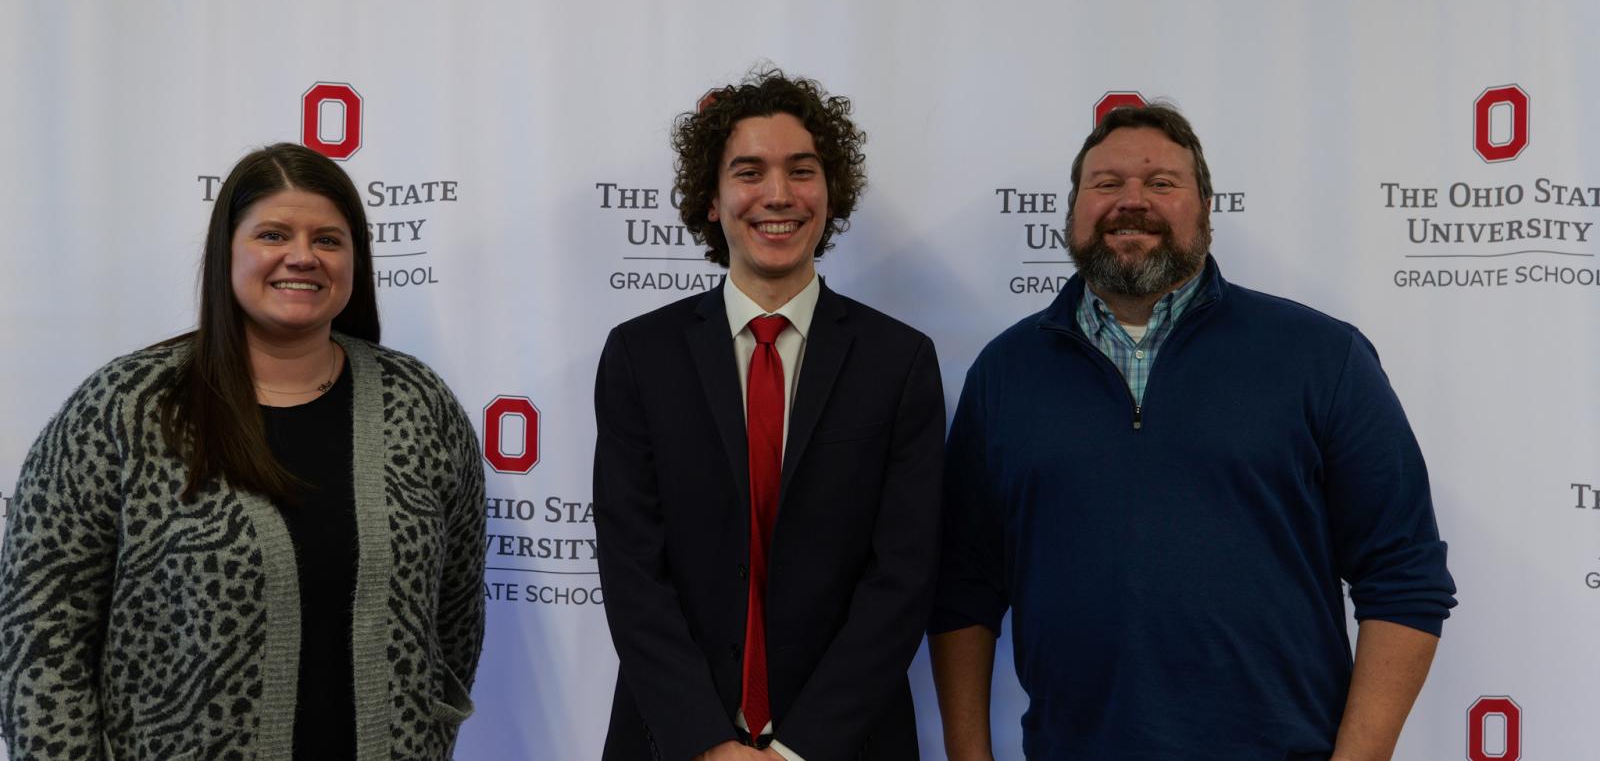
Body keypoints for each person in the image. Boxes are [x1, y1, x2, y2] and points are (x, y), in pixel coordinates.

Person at [929, 104, 1457, 761]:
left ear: (1205, 207)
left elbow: (1404, 574)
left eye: (1161, 183)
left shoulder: (1321, 358)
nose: (1132, 201)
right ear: (1071, 210)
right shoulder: (1005, 374)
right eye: (1106, 183)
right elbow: (963, 588)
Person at [0, 143, 486, 761]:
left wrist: (428, 728)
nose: (302, 256)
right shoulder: (126, 407)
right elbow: (40, 630)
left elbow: (457, 611)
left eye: (329, 240)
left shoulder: (419, 404)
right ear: (227, 251)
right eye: (273, 234)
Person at [593, 70, 945, 761]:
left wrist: (798, 750)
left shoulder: (898, 362)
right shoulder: (640, 356)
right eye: (749, 171)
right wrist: (707, 743)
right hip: (671, 740)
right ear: (712, 198)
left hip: (849, 743)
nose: (778, 195)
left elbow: (902, 577)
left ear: (830, 191)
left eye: (802, 170)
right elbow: (633, 571)